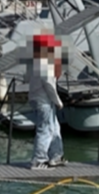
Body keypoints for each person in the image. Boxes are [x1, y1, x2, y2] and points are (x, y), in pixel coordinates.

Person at [28, 34, 67, 170]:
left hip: (39, 98)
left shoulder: (36, 61)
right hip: (43, 100)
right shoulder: (45, 62)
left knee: (54, 128)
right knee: (46, 129)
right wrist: (58, 101)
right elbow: (49, 83)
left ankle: (56, 156)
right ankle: (38, 159)